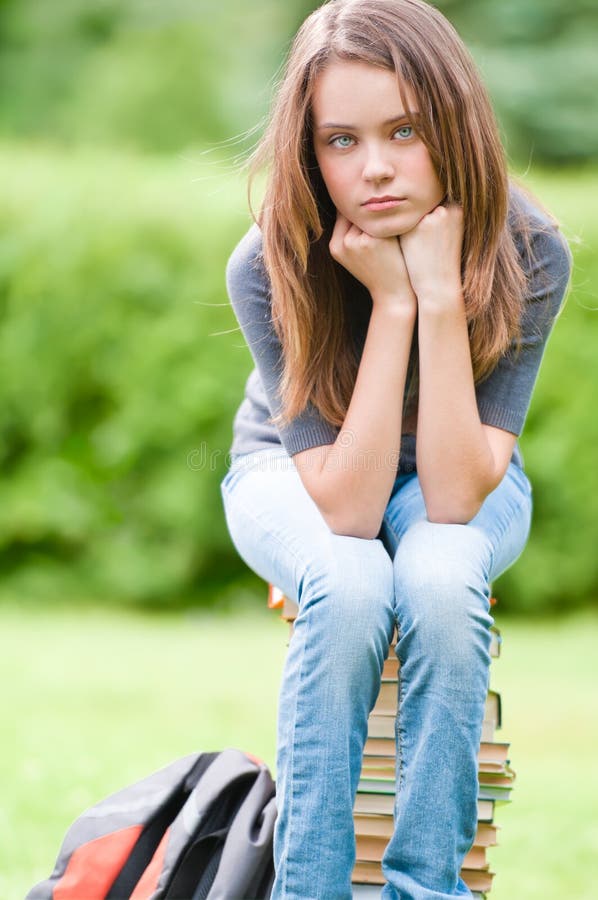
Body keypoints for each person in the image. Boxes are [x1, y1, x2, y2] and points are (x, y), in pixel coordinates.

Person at [219, 1, 571, 897]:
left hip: (463, 466)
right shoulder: (270, 263)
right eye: (341, 141)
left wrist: (442, 297)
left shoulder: (529, 248)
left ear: (451, 122)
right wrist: (395, 306)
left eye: (404, 131)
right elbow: (344, 510)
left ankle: (429, 889)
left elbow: (455, 497)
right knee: (350, 581)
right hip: (298, 468)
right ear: (310, 151)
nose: (374, 168)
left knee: (444, 575)